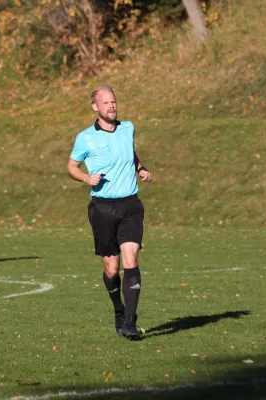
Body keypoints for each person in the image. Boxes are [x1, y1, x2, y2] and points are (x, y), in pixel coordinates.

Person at [67, 86, 153, 340]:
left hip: (130, 205)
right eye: (106, 103)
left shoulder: (128, 128)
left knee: (131, 258)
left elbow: (129, 152)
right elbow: (71, 166)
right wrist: (85, 177)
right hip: (102, 208)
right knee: (112, 268)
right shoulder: (85, 138)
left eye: (114, 102)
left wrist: (141, 168)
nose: (111, 106)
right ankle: (119, 309)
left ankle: (130, 322)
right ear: (95, 107)